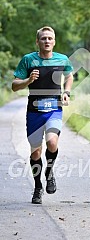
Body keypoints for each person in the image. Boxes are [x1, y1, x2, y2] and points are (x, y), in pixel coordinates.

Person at [12, 26, 73, 204]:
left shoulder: (62, 59)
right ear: (37, 41)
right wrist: (28, 80)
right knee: (36, 152)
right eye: (43, 38)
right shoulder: (28, 60)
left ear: (54, 42)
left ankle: (49, 171)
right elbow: (14, 85)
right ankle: (38, 187)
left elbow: (69, 76)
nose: (47, 41)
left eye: (50, 38)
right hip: (34, 111)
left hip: (54, 108)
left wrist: (66, 92)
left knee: (52, 142)